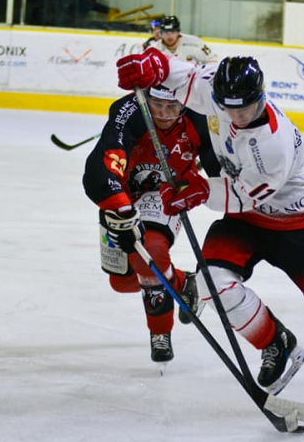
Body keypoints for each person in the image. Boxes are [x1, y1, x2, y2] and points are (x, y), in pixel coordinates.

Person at [114, 47, 304, 413]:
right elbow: (179, 74)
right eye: (227, 107)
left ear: (261, 96)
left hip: (300, 222)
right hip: (247, 221)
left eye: (244, 108)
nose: (235, 115)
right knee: (212, 282)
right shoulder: (219, 88)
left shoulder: (272, 145)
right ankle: (276, 343)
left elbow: (243, 195)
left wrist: (196, 190)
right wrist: (152, 65)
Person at [82, 85, 220, 370]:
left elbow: (219, 166)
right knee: (121, 281)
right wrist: (118, 203)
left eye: (173, 107)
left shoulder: (198, 116)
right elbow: (103, 161)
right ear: (145, 99)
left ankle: (160, 332)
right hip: (125, 195)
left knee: (152, 252)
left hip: (168, 192)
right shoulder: (129, 111)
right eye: (158, 106)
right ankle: (184, 283)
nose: (165, 114)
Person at [149, 16, 218, 65]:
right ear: (161, 33)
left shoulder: (195, 43)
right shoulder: (153, 49)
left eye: (172, 32)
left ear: (178, 32)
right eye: (166, 33)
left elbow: (212, 61)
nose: (169, 36)